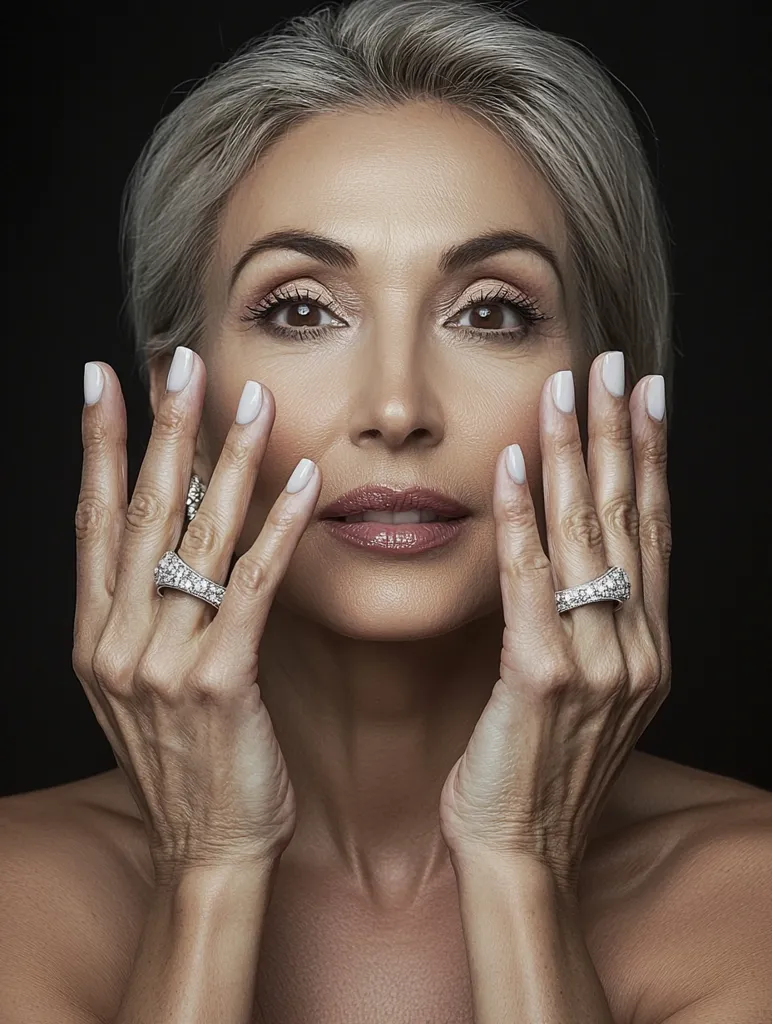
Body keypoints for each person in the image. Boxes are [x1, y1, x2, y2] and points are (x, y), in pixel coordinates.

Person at [2, 0, 770, 1021]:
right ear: (179, 399)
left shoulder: (748, 894)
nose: (398, 408)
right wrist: (208, 867)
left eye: (491, 311)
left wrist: (521, 864)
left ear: (609, 396)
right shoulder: (19, 895)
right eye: (301, 309)